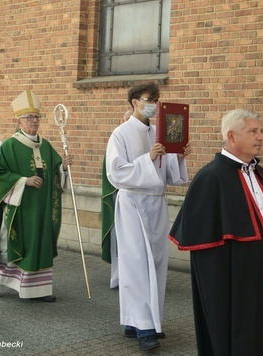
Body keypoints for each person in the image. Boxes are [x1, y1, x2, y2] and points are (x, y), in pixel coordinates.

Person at [169, 109, 263, 355]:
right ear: (231, 136)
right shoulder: (210, 178)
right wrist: (260, 239)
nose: (261, 137)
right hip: (233, 282)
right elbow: (204, 247)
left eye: (261, 131)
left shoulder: (261, 173)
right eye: (253, 132)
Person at [105, 83, 190, 351]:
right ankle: (144, 327)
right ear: (134, 102)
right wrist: (147, 159)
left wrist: (178, 157)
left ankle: (139, 321)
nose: (153, 104)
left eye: (156, 99)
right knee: (136, 263)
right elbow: (116, 173)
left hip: (155, 203)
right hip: (132, 203)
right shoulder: (120, 133)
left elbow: (168, 172)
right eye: (148, 99)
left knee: (155, 262)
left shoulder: (159, 132)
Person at [0, 89, 71, 303]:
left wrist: (64, 169)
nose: (34, 121)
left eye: (36, 117)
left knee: (39, 243)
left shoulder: (46, 145)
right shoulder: (9, 146)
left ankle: (39, 290)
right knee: (13, 245)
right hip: (20, 205)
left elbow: (55, 170)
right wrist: (24, 181)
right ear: (19, 121)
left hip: (41, 206)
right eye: (29, 117)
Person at [101, 109, 132, 290]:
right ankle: (118, 277)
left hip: (140, 200)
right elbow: (110, 171)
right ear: (123, 119)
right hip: (119, 198)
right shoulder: (117, 139)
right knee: (119, 239)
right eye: (128, 119)